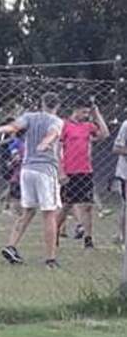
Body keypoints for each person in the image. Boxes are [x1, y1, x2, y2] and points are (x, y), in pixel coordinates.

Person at [0, 92, 64, 269]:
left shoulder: (29, 117)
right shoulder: (57, 121)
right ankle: (50, 259)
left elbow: (13, 127)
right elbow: (54, 133)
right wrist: (46, 143)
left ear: (42, 103)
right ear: (57, 106)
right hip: (45, 171)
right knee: (50, 214)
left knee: (28, 211)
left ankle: (11, 246)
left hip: (27, 171)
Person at [56, 98, 109, 249]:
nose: (86, 115)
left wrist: (97, 113)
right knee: (66, 206)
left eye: (88, 112)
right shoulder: (65, 125)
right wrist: (61, 171)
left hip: (85, 170)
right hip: (69, 171)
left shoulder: (87, 126)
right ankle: (55, 233)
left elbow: (104, 134)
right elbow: (57, 150)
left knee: (87, 206)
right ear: (76, 110)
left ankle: (88, 238)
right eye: (84, 112)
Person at [112, 116, 127, 245]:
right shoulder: (126, 125)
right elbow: (116, 148)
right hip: (125, 173)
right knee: (125, 205)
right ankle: (121, 235)